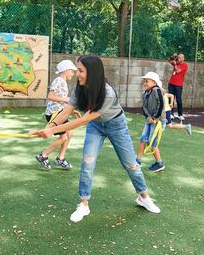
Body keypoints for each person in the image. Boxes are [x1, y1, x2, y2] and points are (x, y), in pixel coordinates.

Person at [31, 55, 160, 223]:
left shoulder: (107, 92)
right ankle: (84, 204)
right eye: (77, 70)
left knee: (131, 164)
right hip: (96, 126)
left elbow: (83, 120)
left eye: (81, 71)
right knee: (87, 163)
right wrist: (49, 127)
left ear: (93, 72)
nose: (78, 74)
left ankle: (143, 197)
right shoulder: (79, 89)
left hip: (116, 125)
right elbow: (67, 111)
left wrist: (52, 130)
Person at [35, 60, 80, 170]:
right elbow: (50, 96)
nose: (73, 74)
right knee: (64, 137)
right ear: (66, 71)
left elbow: (59, 101)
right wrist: (65, 99)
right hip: (54, 114)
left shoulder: (62, 81)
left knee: (69, 134)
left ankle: (60, 158)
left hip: (59, 112)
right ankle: (43, 156)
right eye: (72, 71)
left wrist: (71, 110)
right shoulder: (59, 80)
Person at [136, 72, 166, 173]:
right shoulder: (144, 94)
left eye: (147, 81)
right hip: (150, 120)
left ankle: (159, 163)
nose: (145, 83)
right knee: (143, 139)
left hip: (158, 121)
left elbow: (160, 104)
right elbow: (144, 107)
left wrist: (156, 117)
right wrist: (148, 117)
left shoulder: (157, 90)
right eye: (144, 81)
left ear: (154, 83)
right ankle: (138, 161)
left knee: (152, 143)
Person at [168, 53, 188, 121]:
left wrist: (175, 64)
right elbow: (169, 60)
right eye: (178, 57)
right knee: (171, 99)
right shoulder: (176, 62)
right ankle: (171, 114)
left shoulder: (185, 65)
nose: (178, 58)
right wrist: (173, 56)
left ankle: (180, 114)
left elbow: (177, 71)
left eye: (179, 57)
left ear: (183, 58)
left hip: (178, 85)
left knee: (178, 100)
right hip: (171, 84)